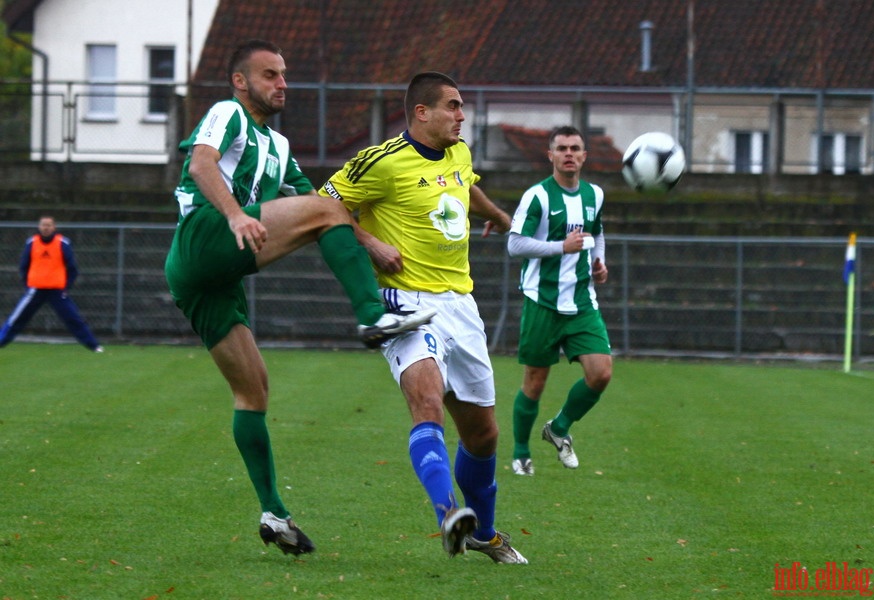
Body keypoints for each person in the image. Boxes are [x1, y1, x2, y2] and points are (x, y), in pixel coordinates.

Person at [163, 40, 434, 557]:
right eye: (270, 75)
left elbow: (322, 205)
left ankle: (273, 513)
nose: (282, 84)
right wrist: (237, 215)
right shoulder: (227, 113)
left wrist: (370, 242)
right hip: (202, 236)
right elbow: (201, 166)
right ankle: (373, 317)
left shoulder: (280, 146)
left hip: (208, 278)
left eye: (284, 75)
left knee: (253, 391)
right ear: (241, 82)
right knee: (321, 214)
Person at [318, 72, 527, 564]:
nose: (462, 115)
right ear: (421, 112)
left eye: (462, 107)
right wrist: (369, 242)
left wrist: (496, 215)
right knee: (427, 402)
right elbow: (322, 203)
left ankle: (484, 532)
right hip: (405, 301)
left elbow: (466, 187)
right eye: (453, 106)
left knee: (484, 434)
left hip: (461, 303)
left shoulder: (459, 153)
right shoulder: (381, 163)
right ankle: (448, 513)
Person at [507, 125, 613, 476]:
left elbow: (596, 233)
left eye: (575, 148)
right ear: (550, 155)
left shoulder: (594, 195)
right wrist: (560, 247)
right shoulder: (537, 196)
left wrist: (600, 263)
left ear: (585, 155)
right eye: (562, 148)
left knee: (601, 373)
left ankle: (560, 427)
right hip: (542, 302)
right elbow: (515, 244)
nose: (569, 153)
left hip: (582, 301)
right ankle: (521, 452)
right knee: (535, 382)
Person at [0, 215, 103, 352]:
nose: (46, 228)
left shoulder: (62, 243)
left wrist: (66, 287)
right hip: (36, 289)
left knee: (73, 318)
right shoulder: (32, 243)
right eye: (43, 225)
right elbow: (24, 266)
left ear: (54, 227)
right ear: (39, 227)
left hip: (57, 290)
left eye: (49, 225)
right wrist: (28, 285)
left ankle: (94, 345)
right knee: (16, 319)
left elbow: (72, 268)